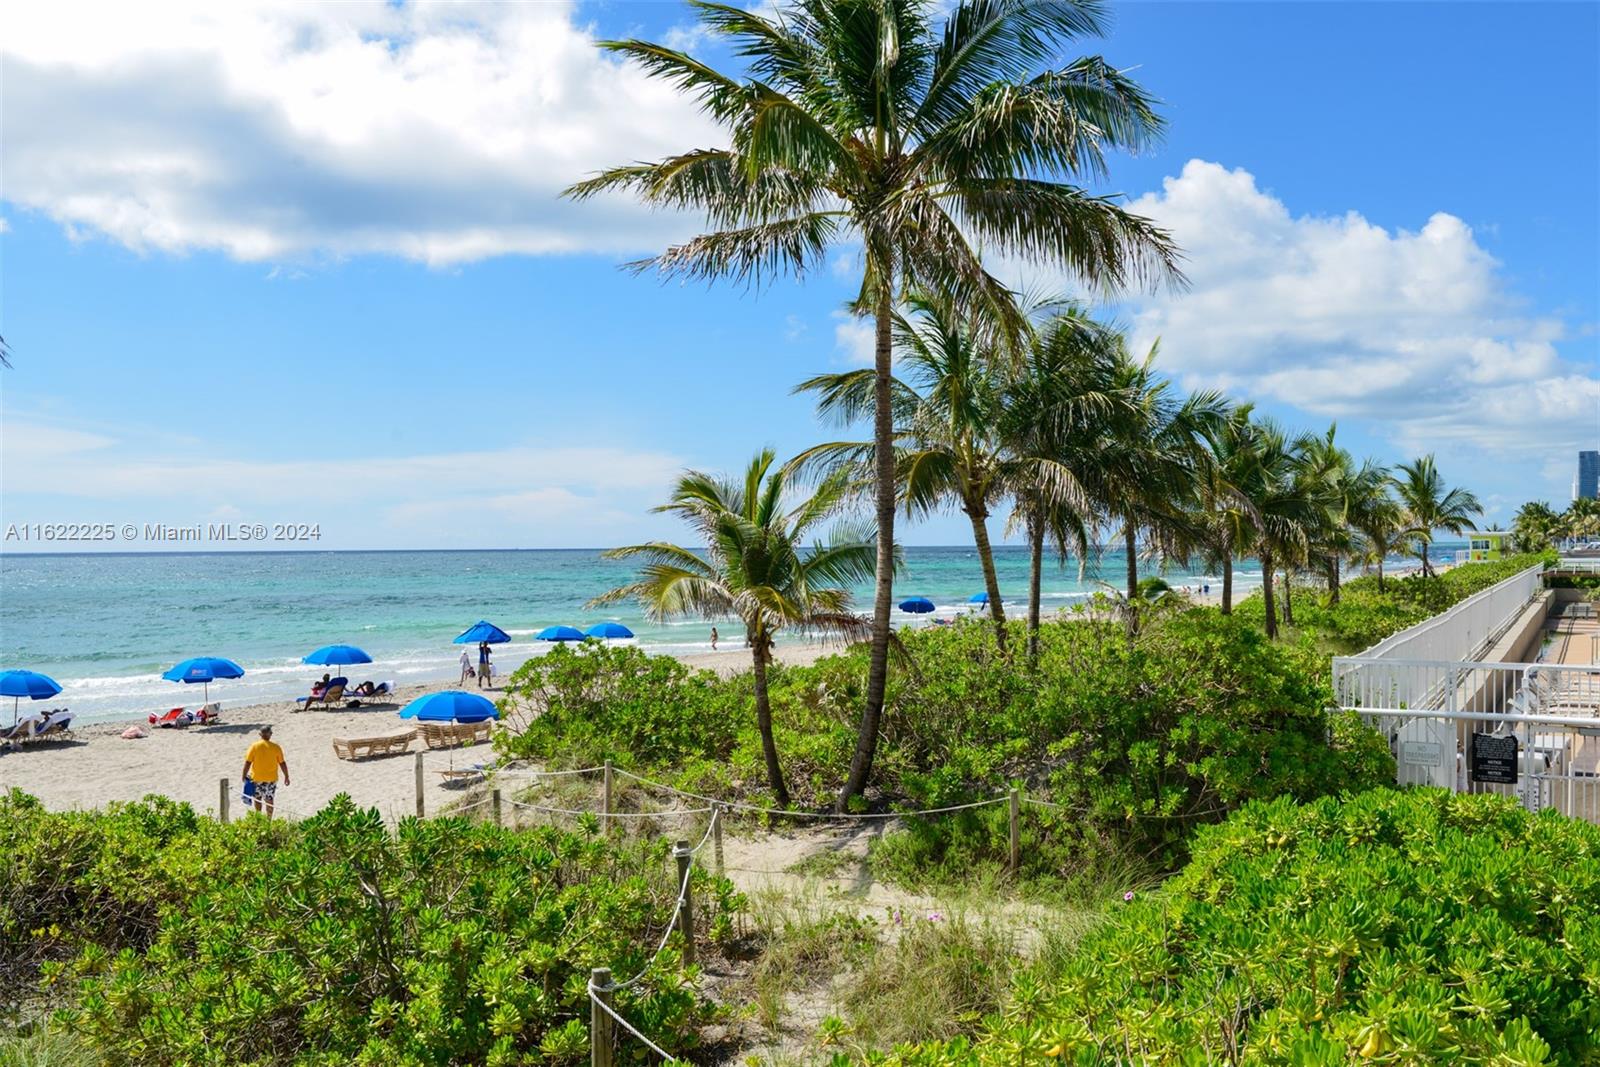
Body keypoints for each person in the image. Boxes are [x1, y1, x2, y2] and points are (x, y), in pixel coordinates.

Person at [242, 725, 290, 819]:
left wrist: (243, 775)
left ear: (260, 734)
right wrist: (286, 776)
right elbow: (282, 763)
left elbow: (248, 762)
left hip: (257, 778)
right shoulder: (276, 747)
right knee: (269, 799)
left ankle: (259, 818)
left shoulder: (254, 746)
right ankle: (269, 820)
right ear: (270, 734)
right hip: (271, 779)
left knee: (258, 799)